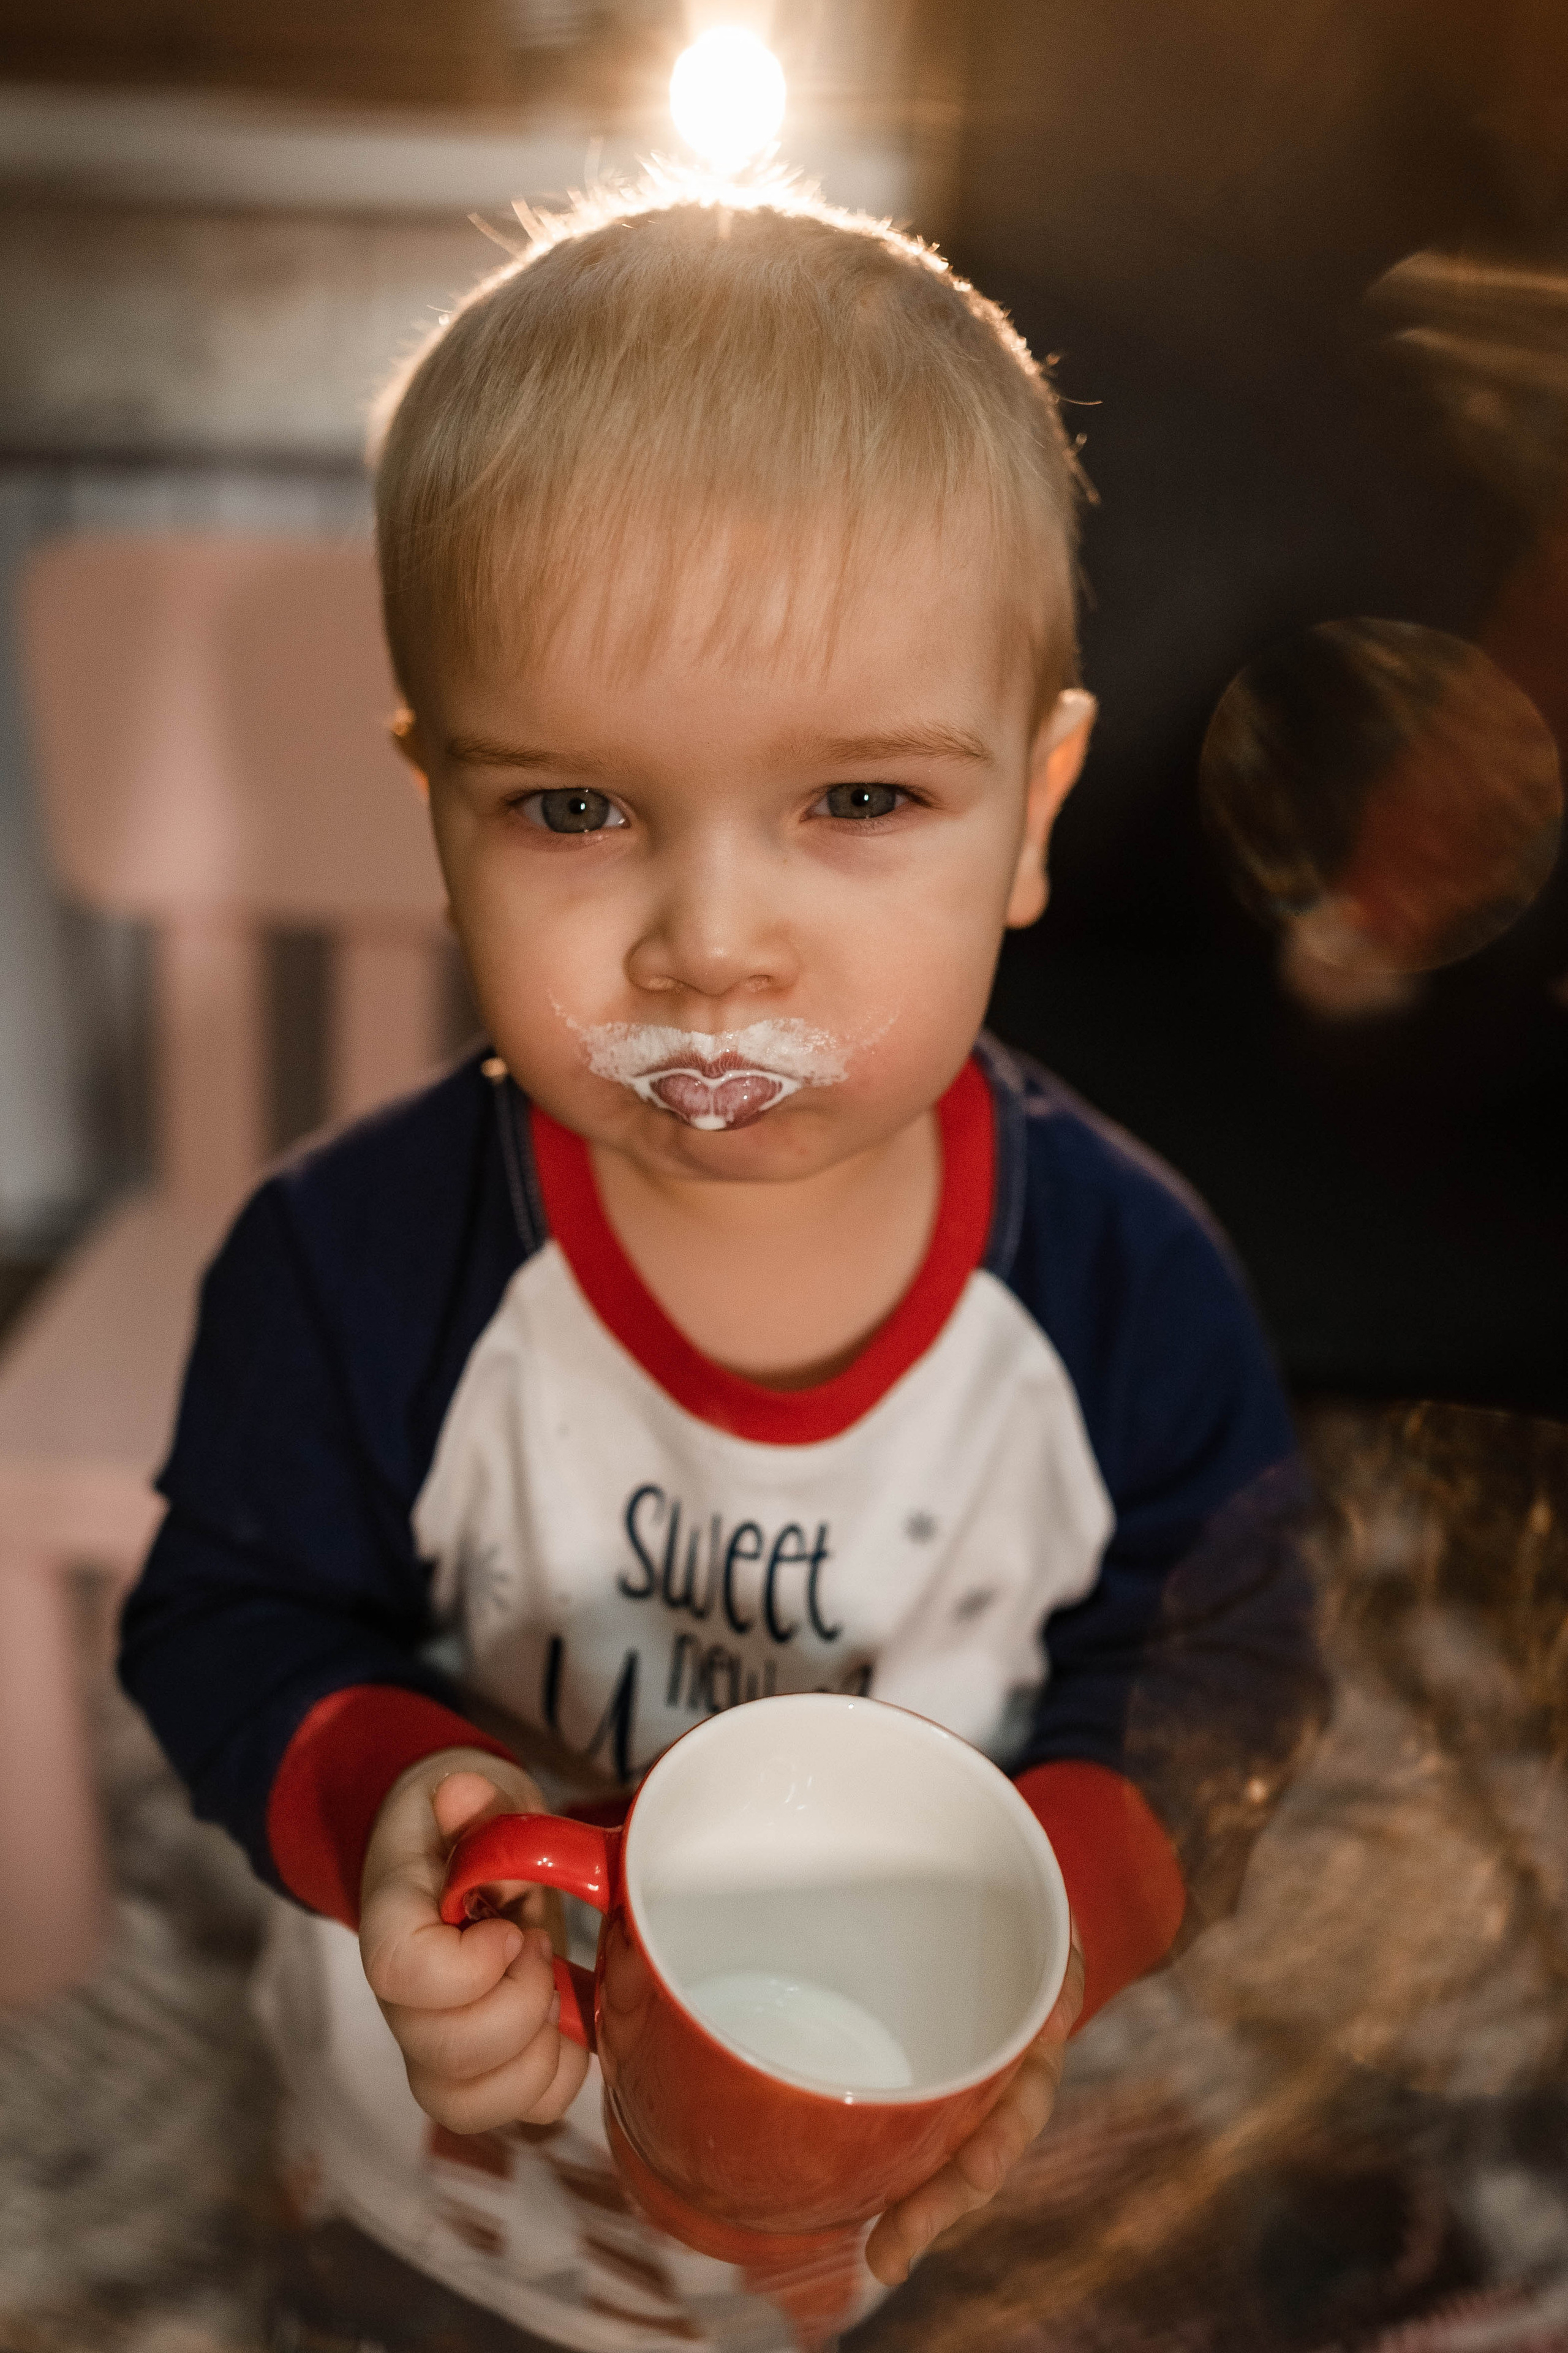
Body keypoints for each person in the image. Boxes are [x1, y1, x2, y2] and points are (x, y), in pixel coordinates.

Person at [118, 178, 1325, 2353]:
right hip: (442, 2206)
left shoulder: (1125, 1294)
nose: (711, 941)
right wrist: (390, 1803)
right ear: (437, 810)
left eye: (858, 798)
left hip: (893, 2221)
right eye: (573, 810)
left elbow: (1225, 1660)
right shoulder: (349, 1261)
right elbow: (222, 1616)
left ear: (1036, 807)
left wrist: (1060, 1916)